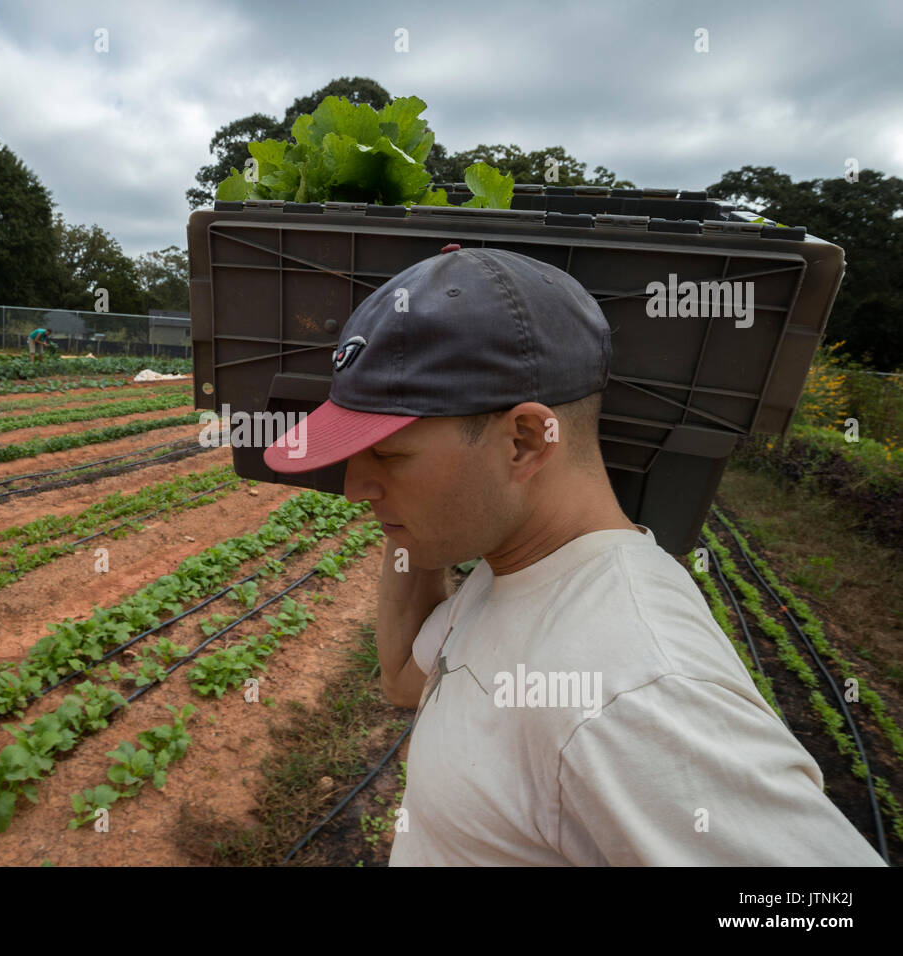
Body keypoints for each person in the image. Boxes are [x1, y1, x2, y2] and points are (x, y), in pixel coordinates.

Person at [262, 245, 885, 867]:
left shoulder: (636, 692)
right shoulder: (511, 569)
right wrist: (413, 520)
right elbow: (403, 678)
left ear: (525, 441)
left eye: (389, 455)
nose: (352, 488)